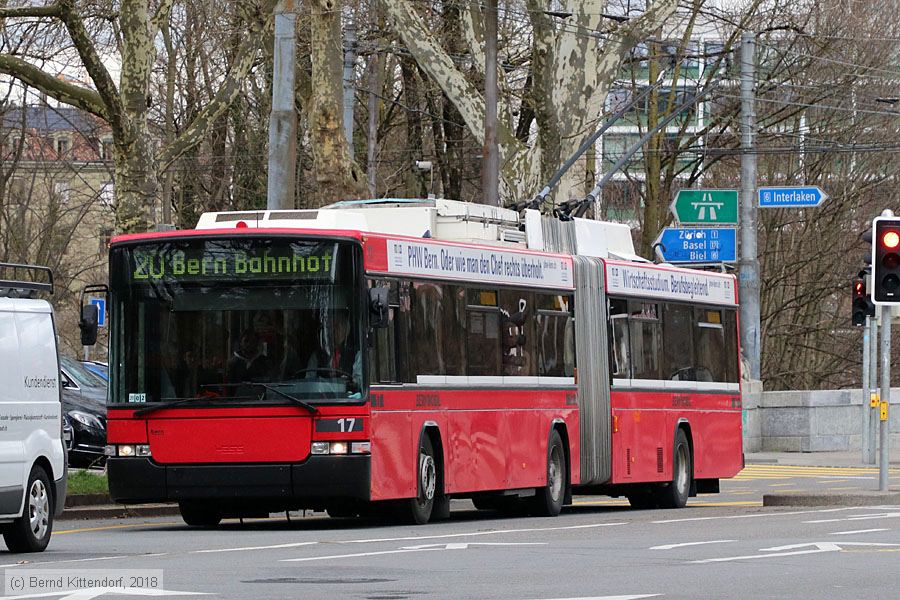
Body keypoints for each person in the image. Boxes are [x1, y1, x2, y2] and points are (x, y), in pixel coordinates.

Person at [306, 310, 361, 390]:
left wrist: (349, 383)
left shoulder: (357, 355)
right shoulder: (317, 356)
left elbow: (358, 383)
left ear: (347, 330)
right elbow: (309, 383)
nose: (335, 330)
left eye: (339, 325)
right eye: (332, 326)